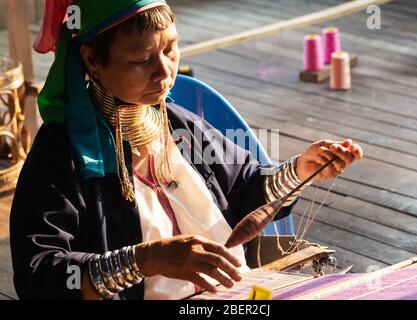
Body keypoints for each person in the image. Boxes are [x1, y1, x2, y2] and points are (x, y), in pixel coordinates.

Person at [9, 0, 363, 300]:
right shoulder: (61, 156)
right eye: (140, 60)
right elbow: (38, 274)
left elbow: (243, 190)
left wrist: (302, 169)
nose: (163, 72)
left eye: (170, 49)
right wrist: (145, 260)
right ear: (92, 60)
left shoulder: (178, 124)